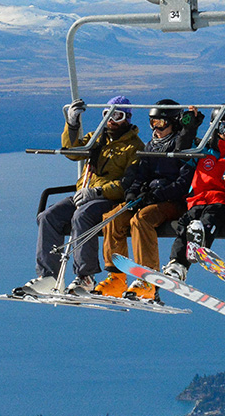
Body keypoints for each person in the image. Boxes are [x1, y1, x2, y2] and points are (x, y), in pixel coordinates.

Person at [14, 95, 143, 296]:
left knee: (82, 216)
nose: (110, 120)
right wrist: (72, 124)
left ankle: (86, 276)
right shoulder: (96, 138)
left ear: (126, 118)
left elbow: (129, 184)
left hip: (109, 199)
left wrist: (98, 191)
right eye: (106, 114)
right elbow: (73, 152)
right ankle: (49, 276)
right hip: (84, 194)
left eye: (116, 115)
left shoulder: (134, 147)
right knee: (49, 217)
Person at [95, 100, 199, 300]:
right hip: (149, 197)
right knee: (113, 216)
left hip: (172, 201)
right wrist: (133, 192)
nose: (155, 128)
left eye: (160, 123)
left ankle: (147, 278)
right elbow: (140, 175)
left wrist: (157, 195)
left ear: (174, 123)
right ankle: (116, 276)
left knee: (141, 219)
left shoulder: (184, 147)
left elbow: (184, 182)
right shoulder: (151, 146)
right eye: (152, 123)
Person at [162, 108, 225, 281]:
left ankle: (199, 246)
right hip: (198, 200)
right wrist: (190, 127)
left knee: (209, 218)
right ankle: (178, 264)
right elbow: (181, 151)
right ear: (215, 127)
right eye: (223, 128)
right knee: (187, 221)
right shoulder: (203, 150)